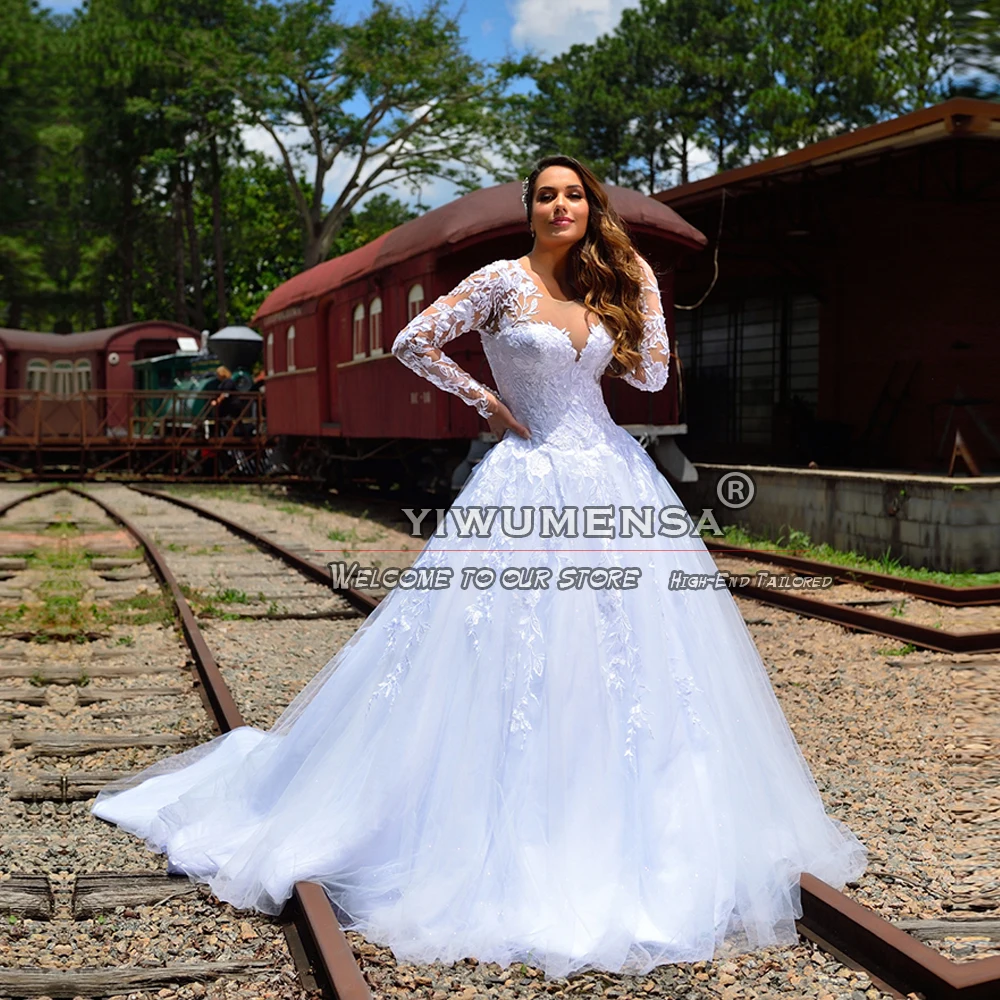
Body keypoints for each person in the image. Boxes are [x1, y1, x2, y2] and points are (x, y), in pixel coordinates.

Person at [90, 155, 867, 980]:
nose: (559, 205)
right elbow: (410, 339)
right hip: (526, 480)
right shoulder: (500, 281)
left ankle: (637, 824)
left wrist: (640, 286)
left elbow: (647, 375)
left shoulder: (608, 282)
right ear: (528, 208)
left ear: (589, 208)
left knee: (636, 660)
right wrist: (487, 404)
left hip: (609, 473)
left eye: (574, 195)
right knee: (508, 652)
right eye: (546, 195)